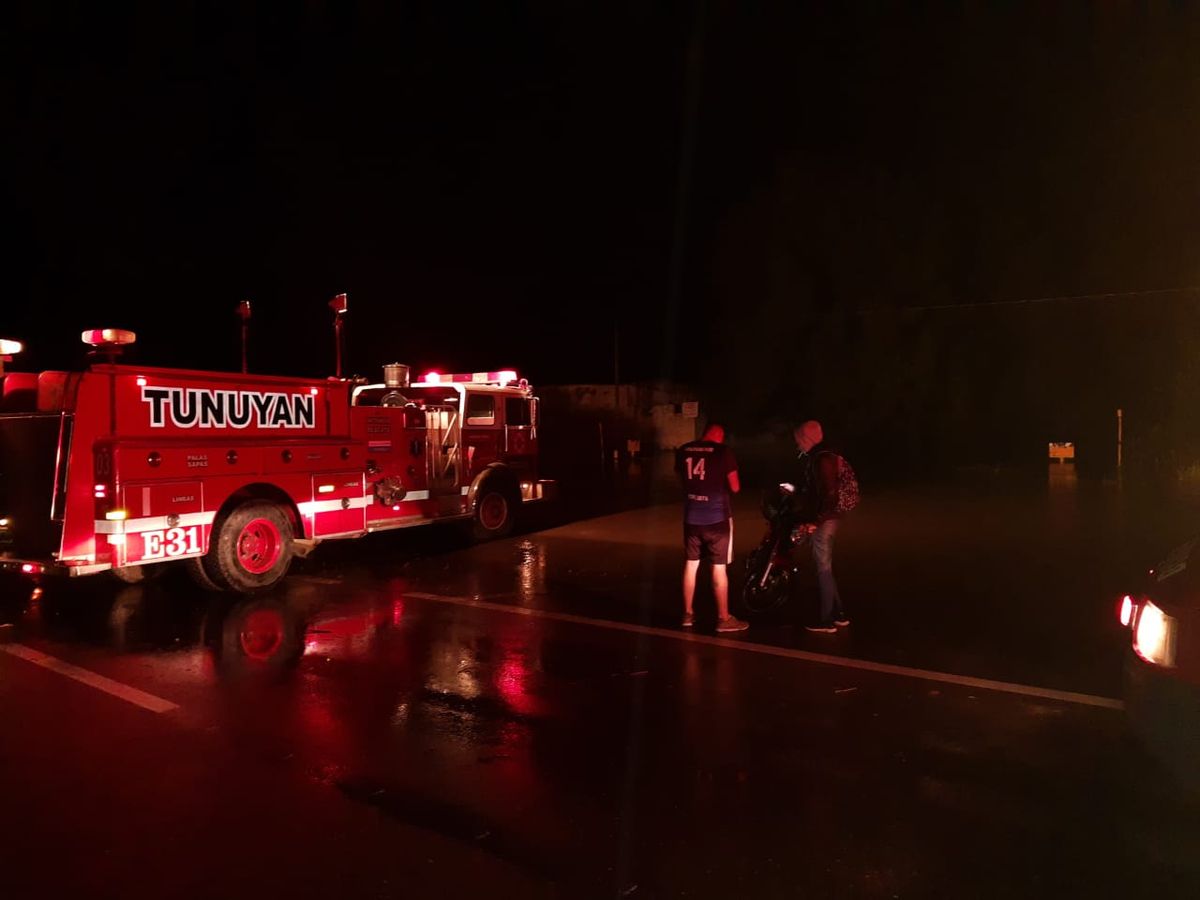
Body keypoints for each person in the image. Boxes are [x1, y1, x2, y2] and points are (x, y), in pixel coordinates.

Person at [676, 423, 748, 633]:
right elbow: (735, 487)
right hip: (717, 519)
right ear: (720, 436)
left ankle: (688, 614)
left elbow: (682, 480)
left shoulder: (684, 450)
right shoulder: (723, 452)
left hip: (692, 518)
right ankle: (723, 618)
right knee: (718, 568)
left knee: (690, 565)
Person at [783, 420, 849, 633]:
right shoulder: (825, 455)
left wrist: (815, 521)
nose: (798, 446)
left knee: (823, 568)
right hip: (829, 517)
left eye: (798, 441)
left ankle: (826, 620)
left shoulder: (821, 459)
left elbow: (829, 494)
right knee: (824, 566)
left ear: (806, 438)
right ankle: (838, 614)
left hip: (825, 519)